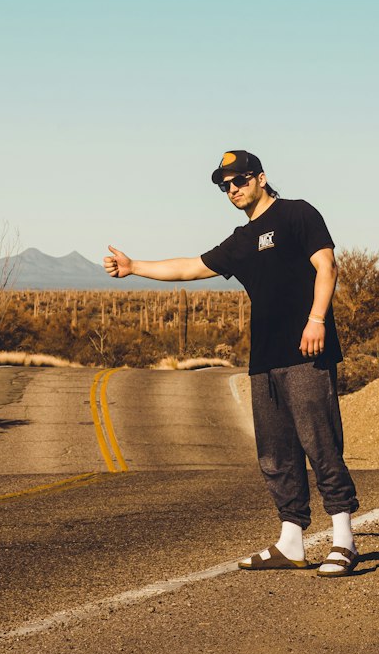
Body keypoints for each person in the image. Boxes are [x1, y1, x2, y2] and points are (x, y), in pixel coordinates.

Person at [104, 149, 360, 577]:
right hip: (264, 361)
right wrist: (134, 268)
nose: (232, 190)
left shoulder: (298, 214)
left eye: (239, 181)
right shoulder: (241, 242)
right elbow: (190, 267)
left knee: (321, 444)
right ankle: (291, 542)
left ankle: (344, 541)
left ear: (260, 178)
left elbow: (326, 265)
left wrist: (316, 320)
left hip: (307, 353)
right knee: (275, 454)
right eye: (225, 186)